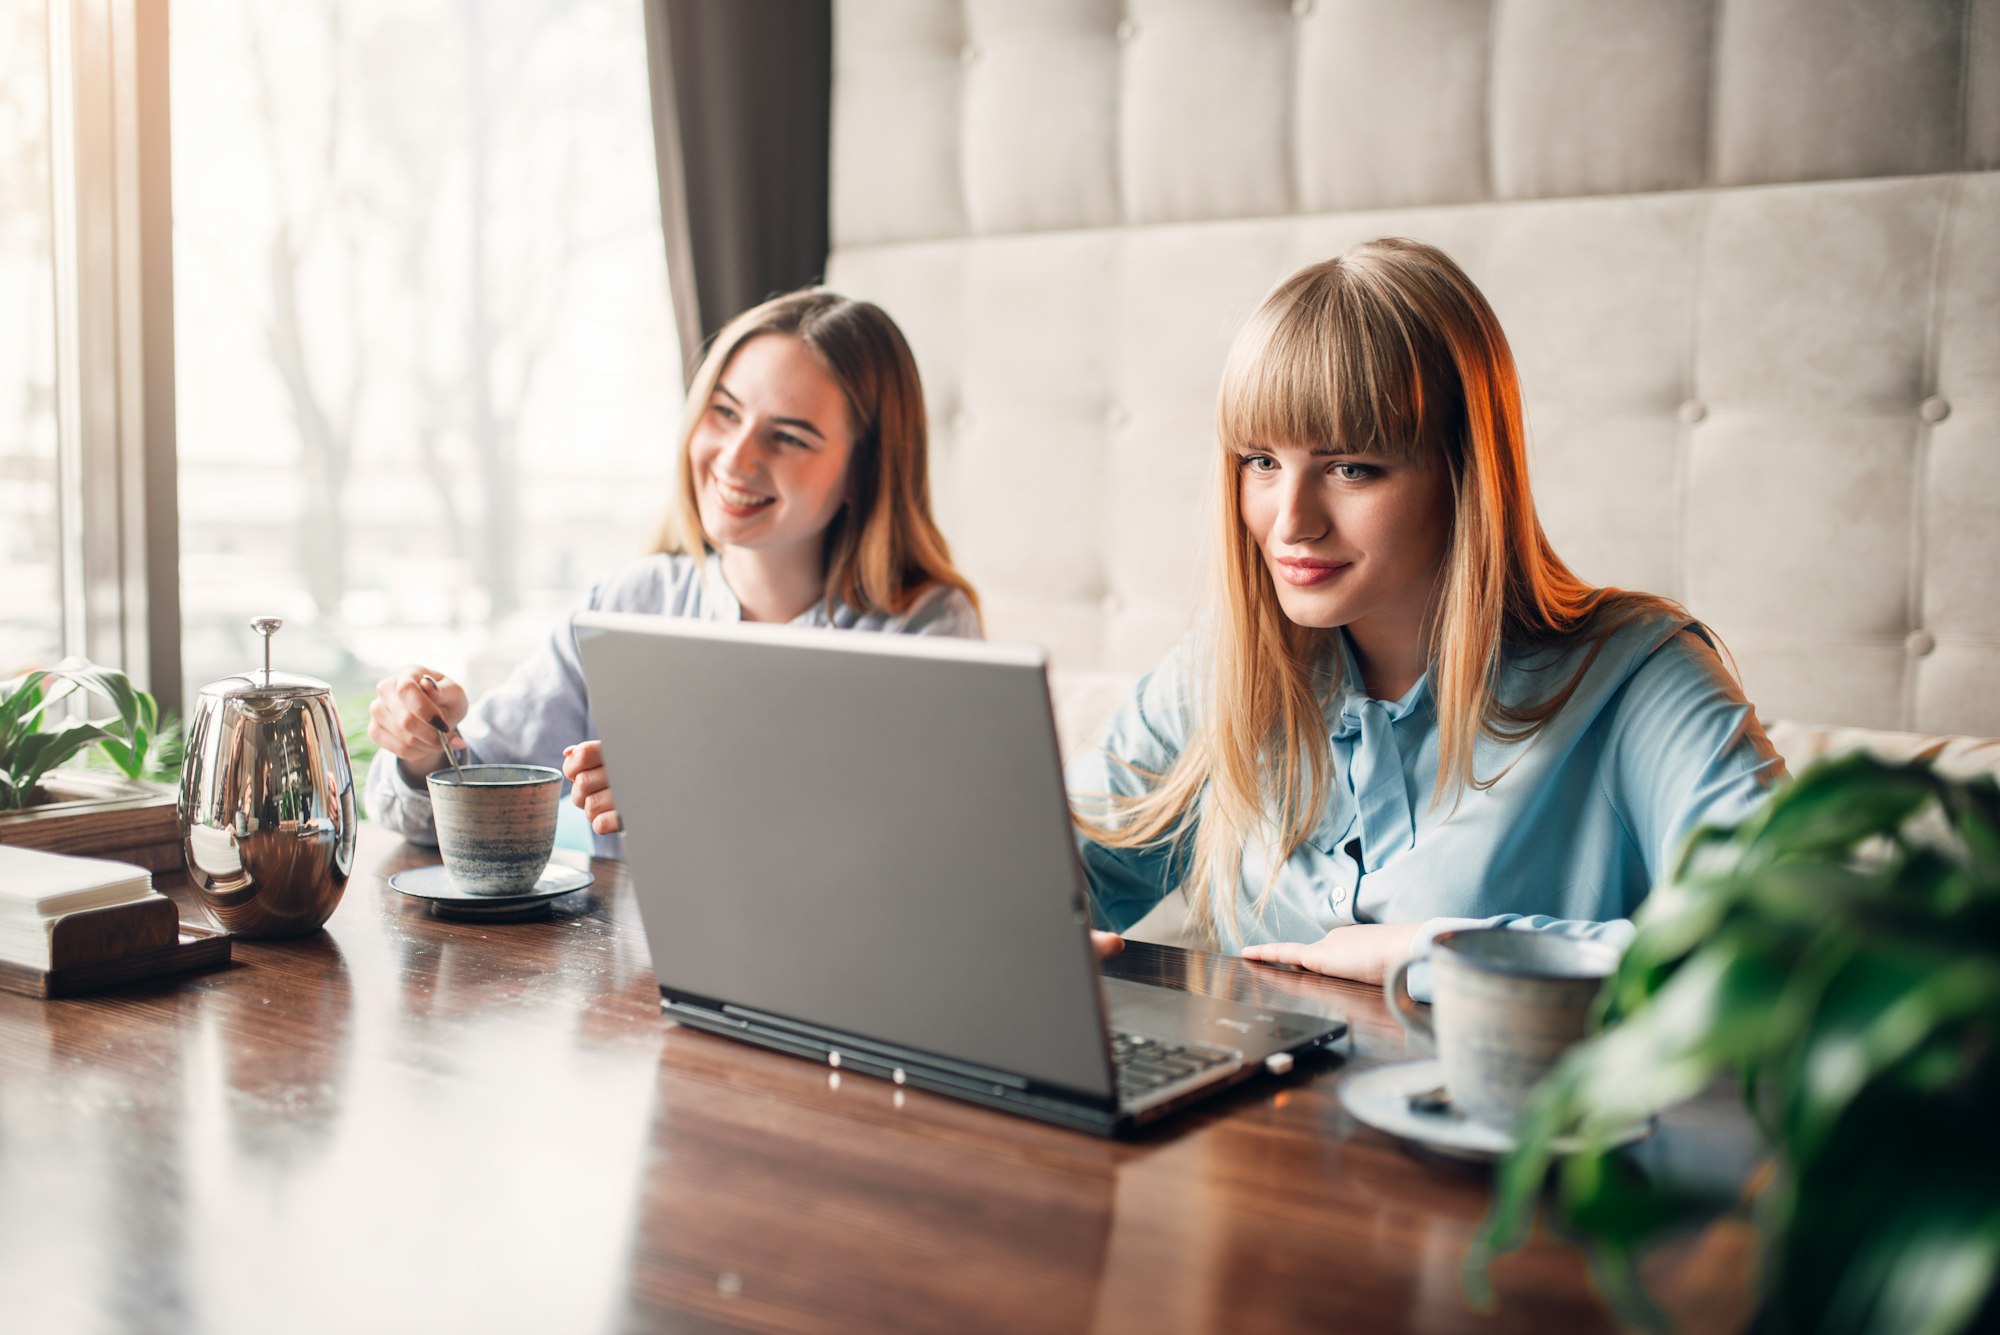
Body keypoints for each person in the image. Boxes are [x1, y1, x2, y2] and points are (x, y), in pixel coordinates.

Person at [1068, 238, 1784, 992]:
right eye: (1262, 462)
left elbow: (1805, 939)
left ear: (1464, 472)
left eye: (1351, 467)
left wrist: (1440, 950)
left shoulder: (1635, 676)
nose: (1290, 523)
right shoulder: (1221, 675)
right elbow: (1039, 886)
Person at [366, 289, 982, 853]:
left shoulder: (925, 630)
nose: (736, 459)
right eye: (724, 412)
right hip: (622, 974)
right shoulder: (631, 604)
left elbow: (932, 860)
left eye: (789, 437)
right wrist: (425, 750)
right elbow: (437, 814)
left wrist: (697, 792)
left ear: (865, 471)